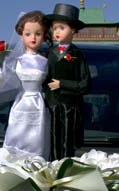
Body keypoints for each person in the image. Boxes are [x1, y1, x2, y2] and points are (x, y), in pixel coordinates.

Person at [0, 11, 51, 159]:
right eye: (28, 34)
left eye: (38, 34)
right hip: (22, 102)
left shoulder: (46, 61)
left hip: (40, 104)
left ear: (44, 35)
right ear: (21, 36)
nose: (33, 38)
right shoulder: (16, 60)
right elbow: (1, 80)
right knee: (17, 135)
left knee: (38, 137)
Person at [44, 3, 91, 160]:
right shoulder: (48, 53)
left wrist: (62, 84)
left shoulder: (78, 55)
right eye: (54, 28)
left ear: (73, 30)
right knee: (51, 142)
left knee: (66, 143)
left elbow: (85, 84)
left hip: (69, 110)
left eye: (61, 28)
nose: (57, 32)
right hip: (50, 108)